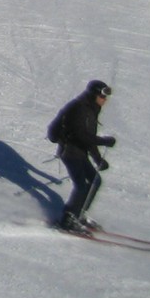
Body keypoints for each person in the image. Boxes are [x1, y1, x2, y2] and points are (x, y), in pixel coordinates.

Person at [46, 79, 117, 232]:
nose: (105, 100)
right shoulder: (80, 109)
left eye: (106, 97)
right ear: (94, 95)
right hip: (70, 152)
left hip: (79, 152)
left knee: (95, 181)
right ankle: (67, 220)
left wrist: (98, 159)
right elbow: (82, 136)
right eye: (102, 97)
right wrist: (103, 141)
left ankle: (78, 215)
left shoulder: (91, 109)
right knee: (82, 185)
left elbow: (88, 138)